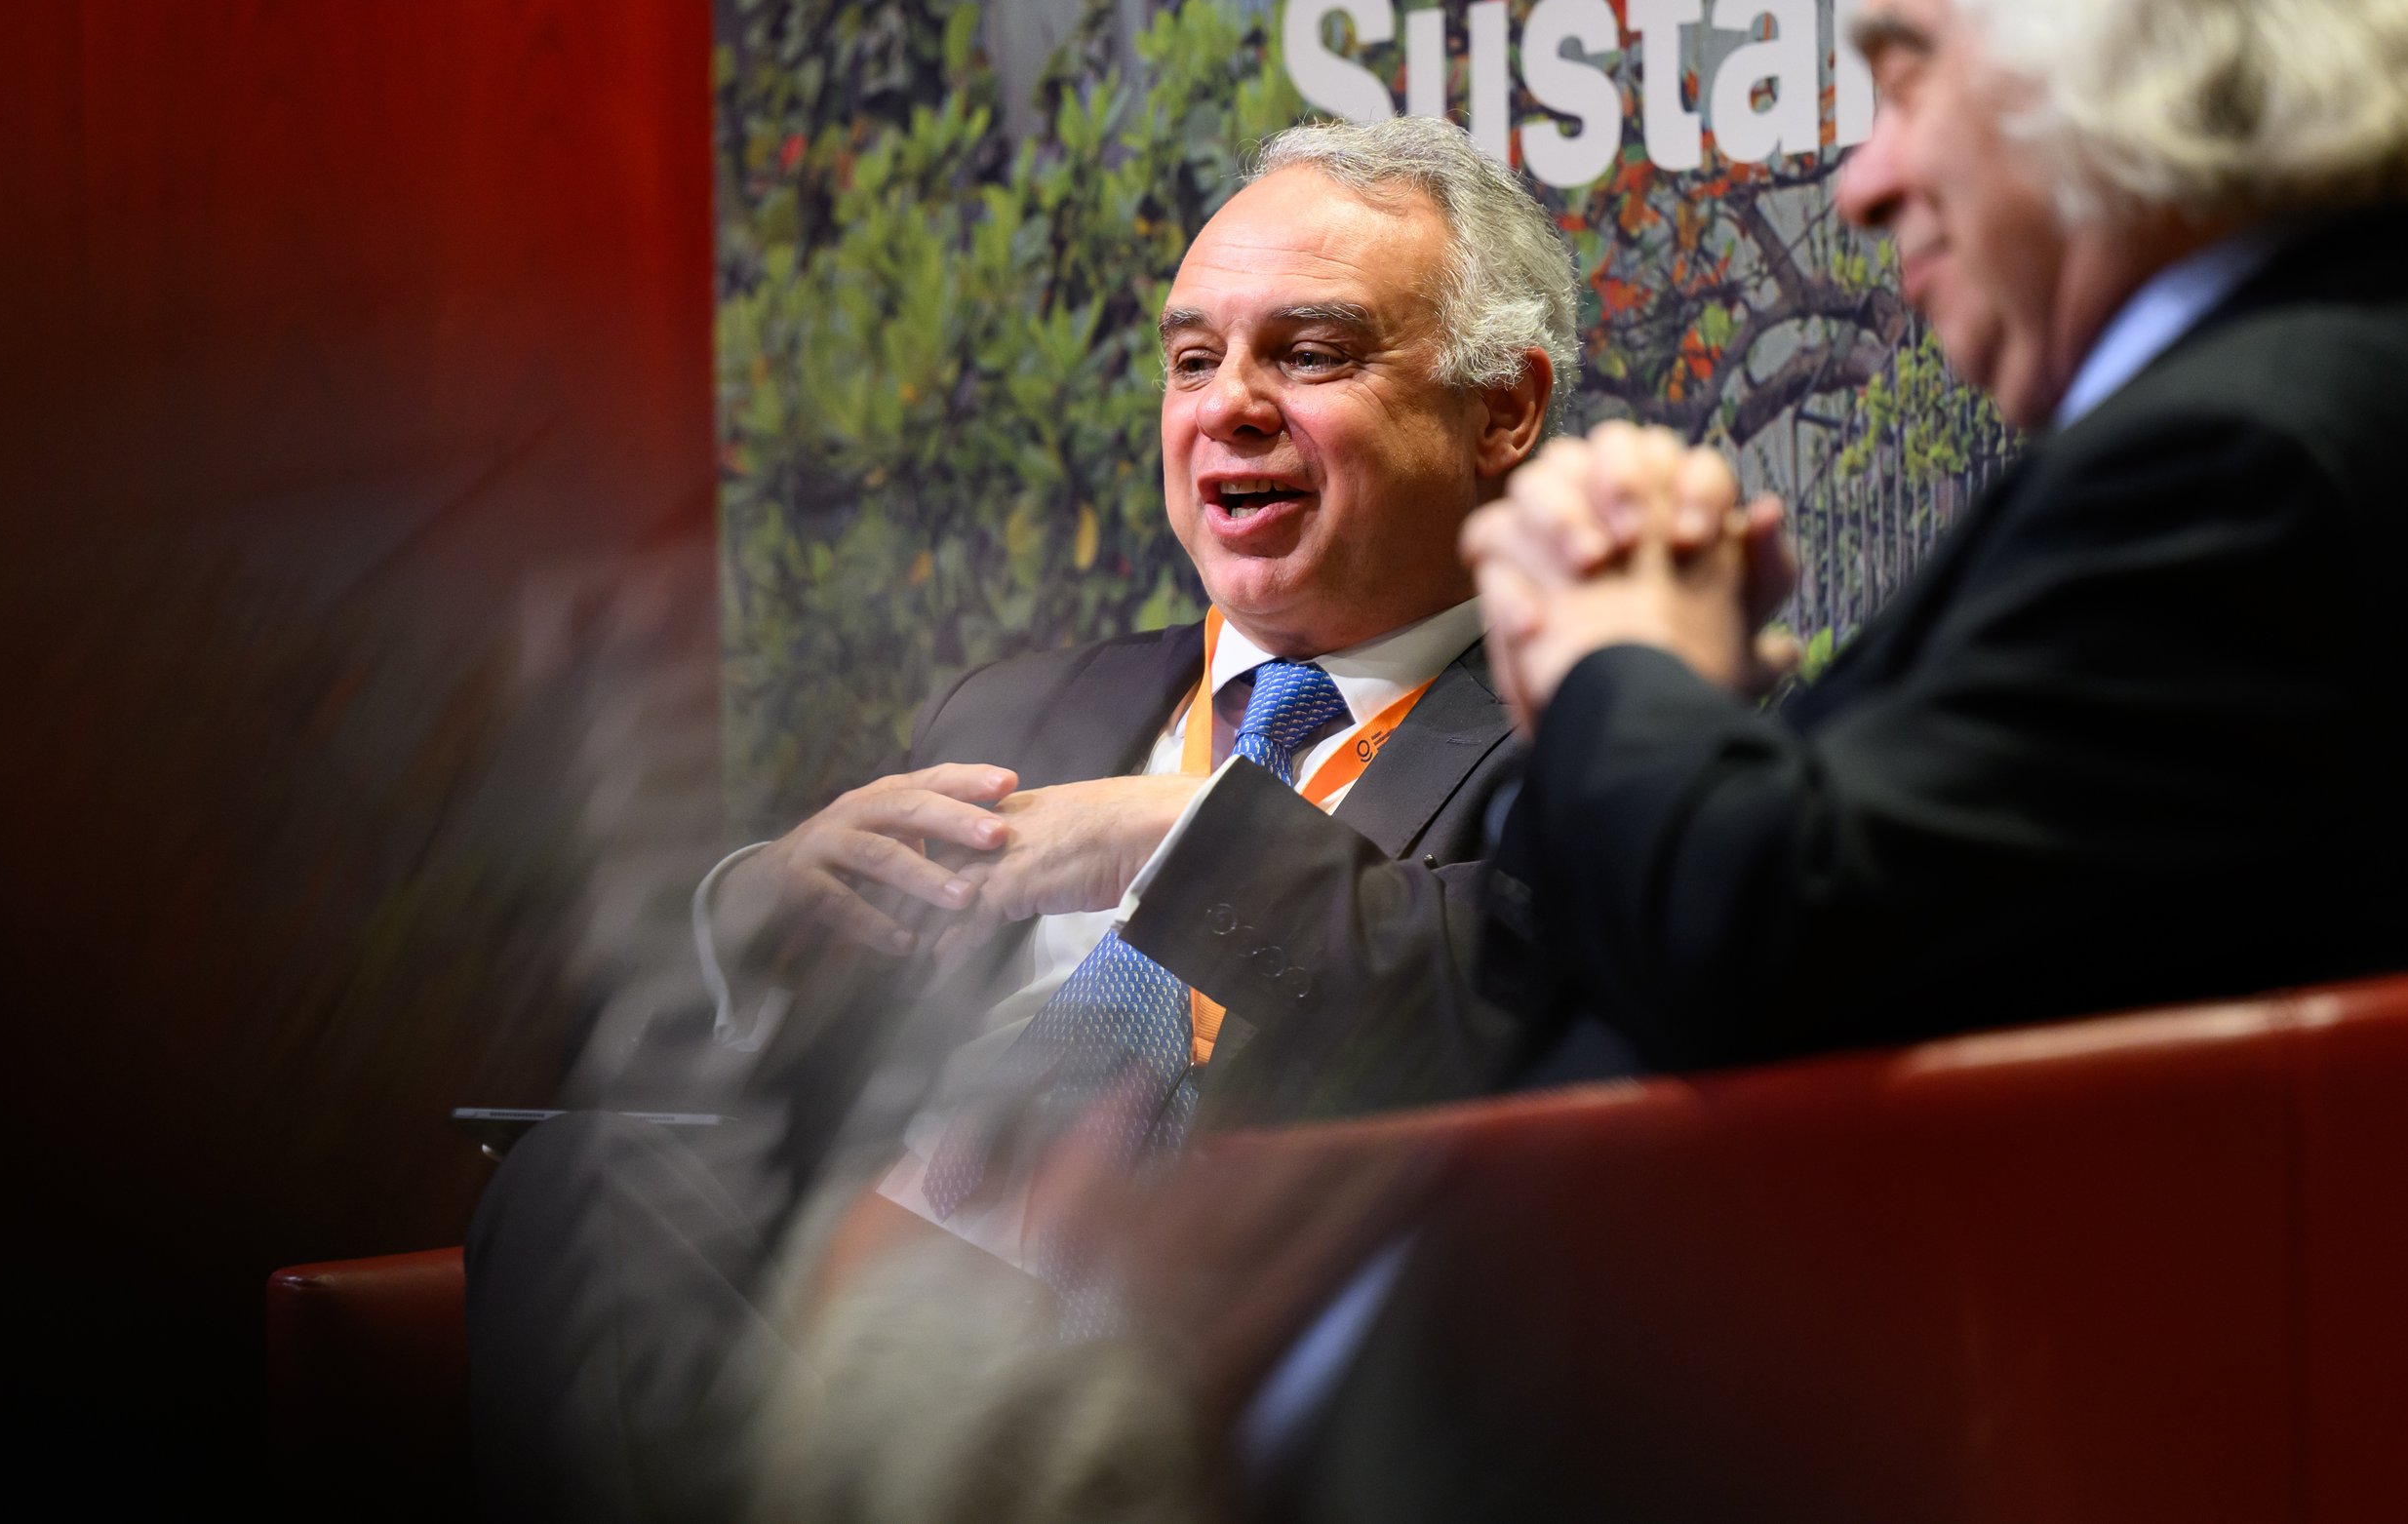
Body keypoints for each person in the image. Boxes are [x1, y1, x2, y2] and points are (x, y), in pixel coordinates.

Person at [465, 113, 1585, 1522]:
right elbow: (764, 1108)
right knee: (591, 1185)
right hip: (868, 1328)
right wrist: (757, 922)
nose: (1226, 404)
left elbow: (1500, 1009)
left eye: (1307, 353)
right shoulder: (1014, 711)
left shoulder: (1588, 743)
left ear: (1504, 409)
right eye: (1193, 359)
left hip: (1191, 1363)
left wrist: (1170, 835)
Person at [1460, 0, 2408, 1057]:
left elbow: (1774, 945)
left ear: (2122, 53)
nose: (1861, 186)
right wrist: (1628, 706)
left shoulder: (2244, 464)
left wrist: (1614, 653)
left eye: (1904, 90)